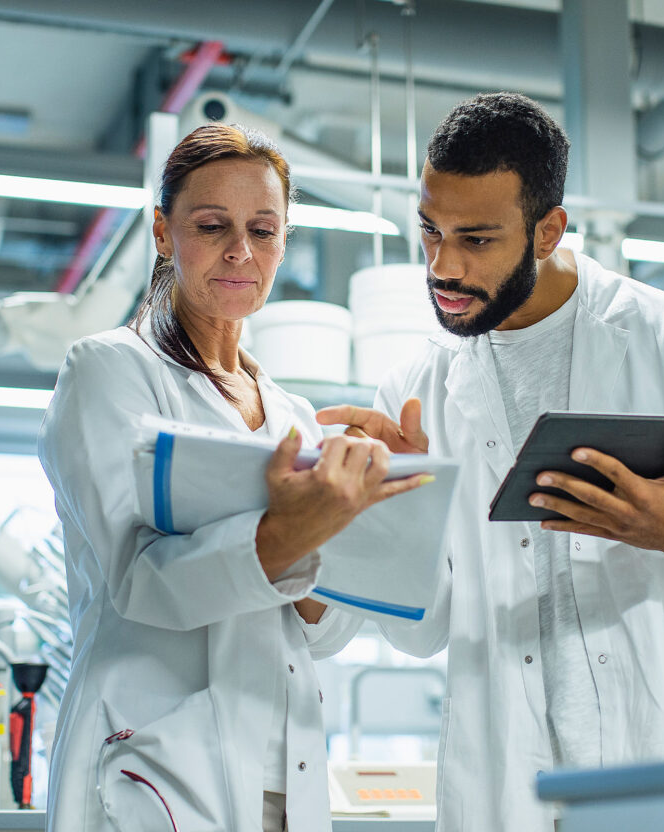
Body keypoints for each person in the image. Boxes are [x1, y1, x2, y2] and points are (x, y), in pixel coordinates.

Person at [317, 92, 664, 831]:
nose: (443, 265)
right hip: (505, 775)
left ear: (547, 230)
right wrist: (402, 520)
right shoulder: (415, 389)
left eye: (476, 240)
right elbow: (421, 630)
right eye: (430, 232)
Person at [38, 123, 423, 832]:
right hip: (159, 765)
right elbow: (138, 580)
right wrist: (283, 536)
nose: (241, 251)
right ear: (163, 232)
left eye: (264, 230)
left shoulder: (293, 415)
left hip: (284, 775)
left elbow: (322, 633)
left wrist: (390, 509)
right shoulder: (109, 372)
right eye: (212, 225)